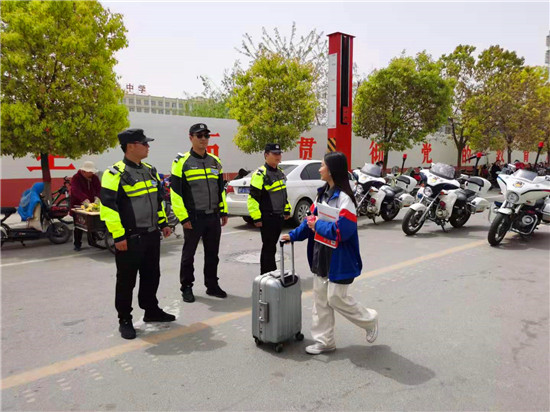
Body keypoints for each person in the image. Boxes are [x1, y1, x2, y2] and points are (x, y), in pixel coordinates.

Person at [281, 152, 378, 355]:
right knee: (320, 301)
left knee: (335, 298)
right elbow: (310, 221)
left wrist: (318, 225)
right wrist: (293, 235)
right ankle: (325, 341)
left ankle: (369, 320)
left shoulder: (345, 199)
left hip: (339, 259)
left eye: (322, 165)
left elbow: (343, 231)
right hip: (321, 254)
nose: (319, 169)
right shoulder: (321, 195)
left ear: (332, 170)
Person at [100, 128, 175, 340]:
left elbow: (158, 201)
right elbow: (108, 208)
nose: (148, 147)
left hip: (151, 235)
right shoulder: (114, 174)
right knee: (126, 281)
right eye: (144, 143)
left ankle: (151, 310)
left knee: (152, 275)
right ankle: (125, 319)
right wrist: (118, 236)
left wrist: (163, 223)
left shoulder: (150, 171)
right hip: (130, 238)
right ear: (131, 146)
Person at [170, 123, 228, 303]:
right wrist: (183, 217)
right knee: (189, 255)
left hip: (213, 216)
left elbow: (221, 188)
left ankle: (212, 285)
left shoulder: (215, 161)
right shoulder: (182, 162)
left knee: (212, 254)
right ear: (191, 138)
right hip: (193, 217)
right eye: (199, 135)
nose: (203, 139)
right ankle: (186, 287)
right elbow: (175, 193)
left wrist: (223, 210)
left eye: (206, 136)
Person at [248, 143, 292, 275]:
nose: (278, 156)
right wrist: (256, 217)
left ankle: (272, 273)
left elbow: (283, 194)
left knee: (272, 247)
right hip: (268, 217)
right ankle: (266, 275)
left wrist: (287, 209)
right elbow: (253, 198)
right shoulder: (260, 174)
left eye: (279, 153)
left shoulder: (280, 172)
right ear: (266, 155)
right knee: (268, 248)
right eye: (275, 154)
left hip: (279, 216)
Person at [69, 160, 101, 251]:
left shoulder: (94, 178)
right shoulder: (76, 178)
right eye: (89, 172)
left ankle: (92, 241)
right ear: (83, 171)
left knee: (93, 224)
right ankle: (77, 244)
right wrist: (84, 199)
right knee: (79, 225)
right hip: (78, 204)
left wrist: (97, 197)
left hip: (91, 204)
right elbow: (75, 190)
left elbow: (99, 188)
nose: (91, 173)